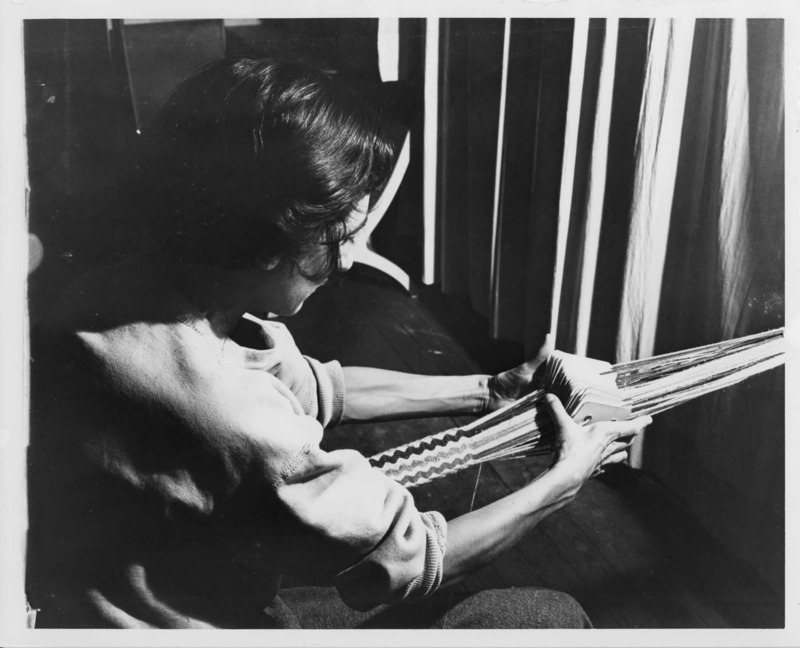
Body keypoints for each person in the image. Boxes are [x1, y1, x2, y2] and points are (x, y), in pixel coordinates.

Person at [27, 57, 651, 630]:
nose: (350, 260)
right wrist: (564, 481)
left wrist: (490, 390)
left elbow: (319, 388)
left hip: (120, 601)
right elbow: (412, 559)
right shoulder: (229, 410)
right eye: (343, 237)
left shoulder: (121, 291)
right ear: (267, 242)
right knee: (545, 617)